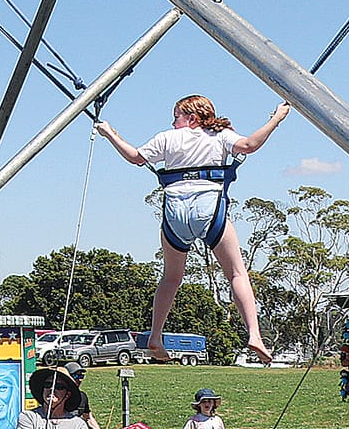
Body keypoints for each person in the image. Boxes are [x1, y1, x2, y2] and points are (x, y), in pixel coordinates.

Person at [98, 95, 289, 364]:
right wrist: (276, 118)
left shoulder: (166, 138)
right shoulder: (220, 135)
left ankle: (156, 334)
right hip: (208, 207)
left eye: (176, 115)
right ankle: (254, 335)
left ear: (192, 117)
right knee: (236, 272)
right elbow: (250, 145)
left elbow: (135, 157)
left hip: (174, 212)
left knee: (171, 278)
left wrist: (109, 133)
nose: (172, 121)